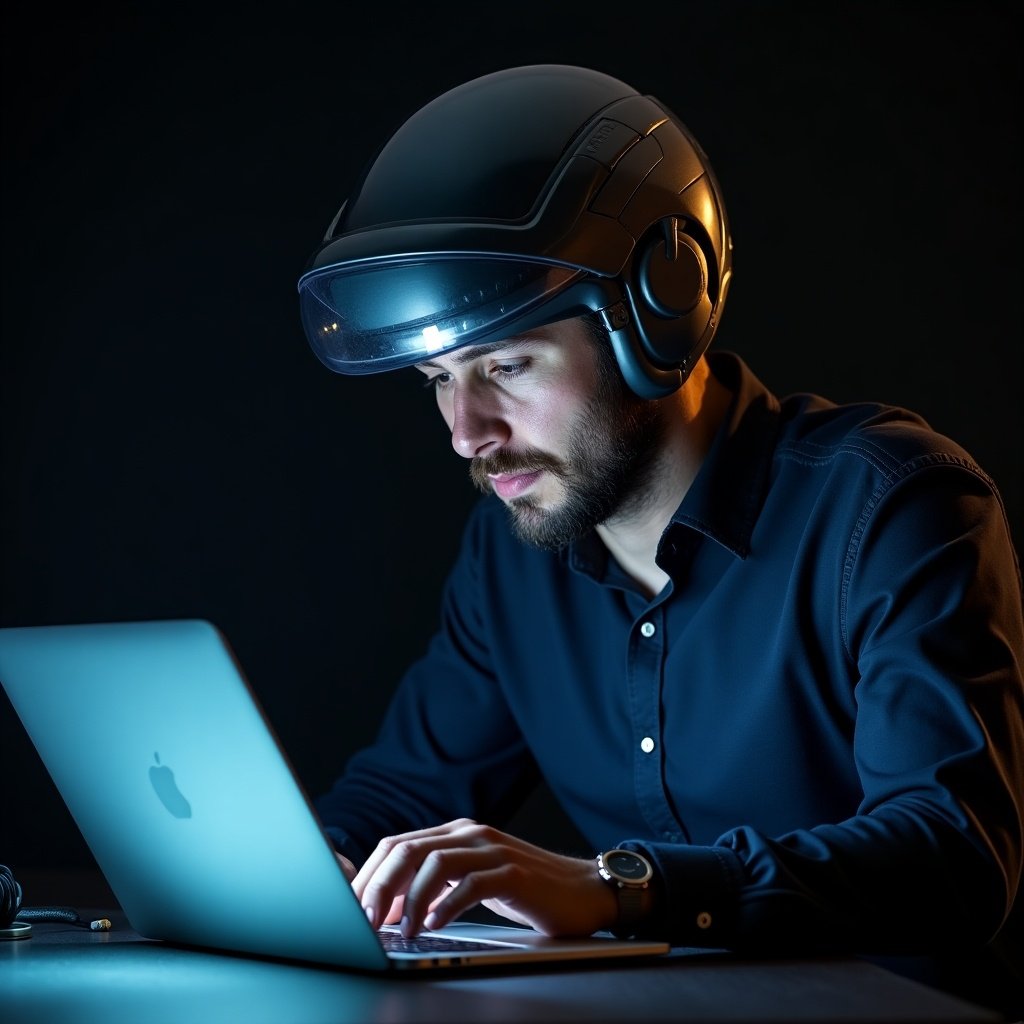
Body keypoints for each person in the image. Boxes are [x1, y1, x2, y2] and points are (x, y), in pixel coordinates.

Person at [296, 65, 1024, 1018]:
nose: (466, 431)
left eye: (507, 365)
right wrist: (310, 873)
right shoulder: (511, 549)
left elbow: (953, 857)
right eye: (437, 377)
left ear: (656, 309)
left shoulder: (894, 507)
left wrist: (622, 888)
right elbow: (398, 800)